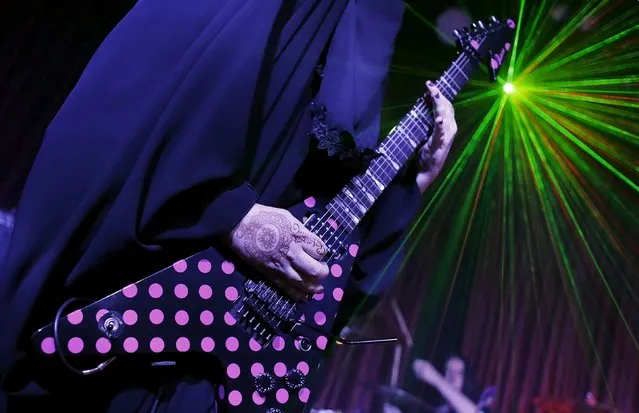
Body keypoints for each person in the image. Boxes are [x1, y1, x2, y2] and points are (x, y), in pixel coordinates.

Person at [0, 1, 459, 412]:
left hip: (215, 380)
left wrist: (413, 183)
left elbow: (339, 290)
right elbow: (114, 129)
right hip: (119, 339)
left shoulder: (361, 53)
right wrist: (232, 215)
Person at [412, 355, 496, 413]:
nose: (453, 377)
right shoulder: (437, 407)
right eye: (450, 372)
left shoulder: (477, 405)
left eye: (459, 373)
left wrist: (436, 379)